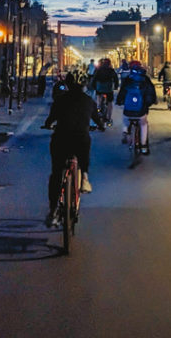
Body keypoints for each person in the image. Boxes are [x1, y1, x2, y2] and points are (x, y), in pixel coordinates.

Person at [41, 73, 104, 227]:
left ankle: (54, 211)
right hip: (80, 140)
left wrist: (48, 125)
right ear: (84, 85)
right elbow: (97, 119)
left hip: (61, 139)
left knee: (56, 173)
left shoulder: (60, 100)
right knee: (84, 153)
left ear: (67, 84)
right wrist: (101, 126)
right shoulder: (89, 101)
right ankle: (84, 178)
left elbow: (50, 119)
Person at [116, 60, 157, 154]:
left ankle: (125, 131)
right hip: (141, 110)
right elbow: (151, 93)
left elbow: (122, 93)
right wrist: (150, 102)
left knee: (125, 118)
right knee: (143, 124)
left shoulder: (127, 80)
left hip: (128, 110)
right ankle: (143, 146)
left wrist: (119, 101)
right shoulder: (145, 79)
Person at [88, 58, 120, 124]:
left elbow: (94, 78)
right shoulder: (111, 70)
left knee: (98, 98)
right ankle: (109, 118)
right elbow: (115, 79)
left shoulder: (98, 70)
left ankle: (98, 109)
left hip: (99, 88)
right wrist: (116, 87)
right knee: (110, 102)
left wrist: (94, 86)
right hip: (108, 89)